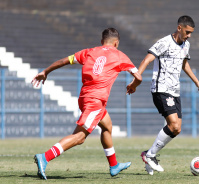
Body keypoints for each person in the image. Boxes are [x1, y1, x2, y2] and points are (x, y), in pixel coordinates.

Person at [31, 28, 142, 180]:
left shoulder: (89, 52)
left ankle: (114, 165)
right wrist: (133, 86)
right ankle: (45, 157)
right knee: (80, 137)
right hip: (95, 101)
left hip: (85, 97)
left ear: (102, 41)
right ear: (116, 43)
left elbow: (64, 61)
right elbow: (139, 77)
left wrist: (46, 71)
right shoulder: (120, 55)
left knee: (107, 127)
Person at [135, 15, 199, 175]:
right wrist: (137, 77)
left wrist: (197, 82)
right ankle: (150, 156)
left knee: (177, 129)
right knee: (173, 125)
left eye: (191, 33)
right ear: (179, 28)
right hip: (161, 89)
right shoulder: (164, 42)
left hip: (175, 90)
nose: (189, 36)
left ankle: (148, 154)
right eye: (187, 32)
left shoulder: (186, 45)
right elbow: (147, 59)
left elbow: (184, 64)